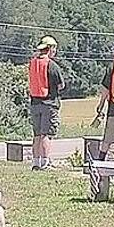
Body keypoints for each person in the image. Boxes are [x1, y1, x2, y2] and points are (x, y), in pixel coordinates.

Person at [29, 36, 65, 170]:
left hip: (34, 103)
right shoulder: (51, 65)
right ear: (50, 49)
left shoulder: (32, 63)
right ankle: (45, 163)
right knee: (46, 135)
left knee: (37, 135)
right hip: (49, 103)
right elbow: (61, 85)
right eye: (54, 48)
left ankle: (35, 163)